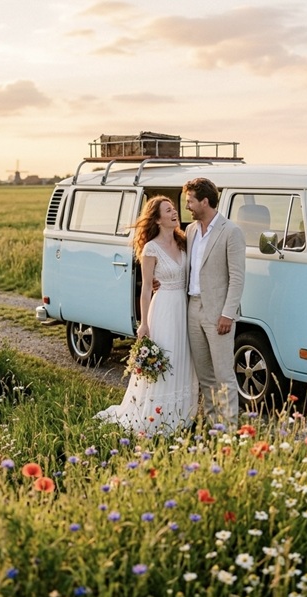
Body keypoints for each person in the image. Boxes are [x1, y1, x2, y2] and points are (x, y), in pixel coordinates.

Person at [95, 196, 197, 433]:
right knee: (166, 359)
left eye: (174, 209)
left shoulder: (184, 242)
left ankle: (182, 416)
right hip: (163, 310)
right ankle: (155, 418)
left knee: (183, 359)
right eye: (168, 210)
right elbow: (146, 289)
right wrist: (143, 324)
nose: (174, 213)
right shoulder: (151, 248)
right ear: (158, 219)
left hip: (183, 307)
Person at [183, 177, 246, 426]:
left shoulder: (231, 231)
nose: (187, 206)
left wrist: (227, 314)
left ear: (205, 201)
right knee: (205, 375)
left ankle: (229, 429)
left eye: (190, 201)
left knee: (223, 374)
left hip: (219, 312)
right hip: (193, 307)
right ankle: (213, 425)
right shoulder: (190, 231)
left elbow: (237, 277)